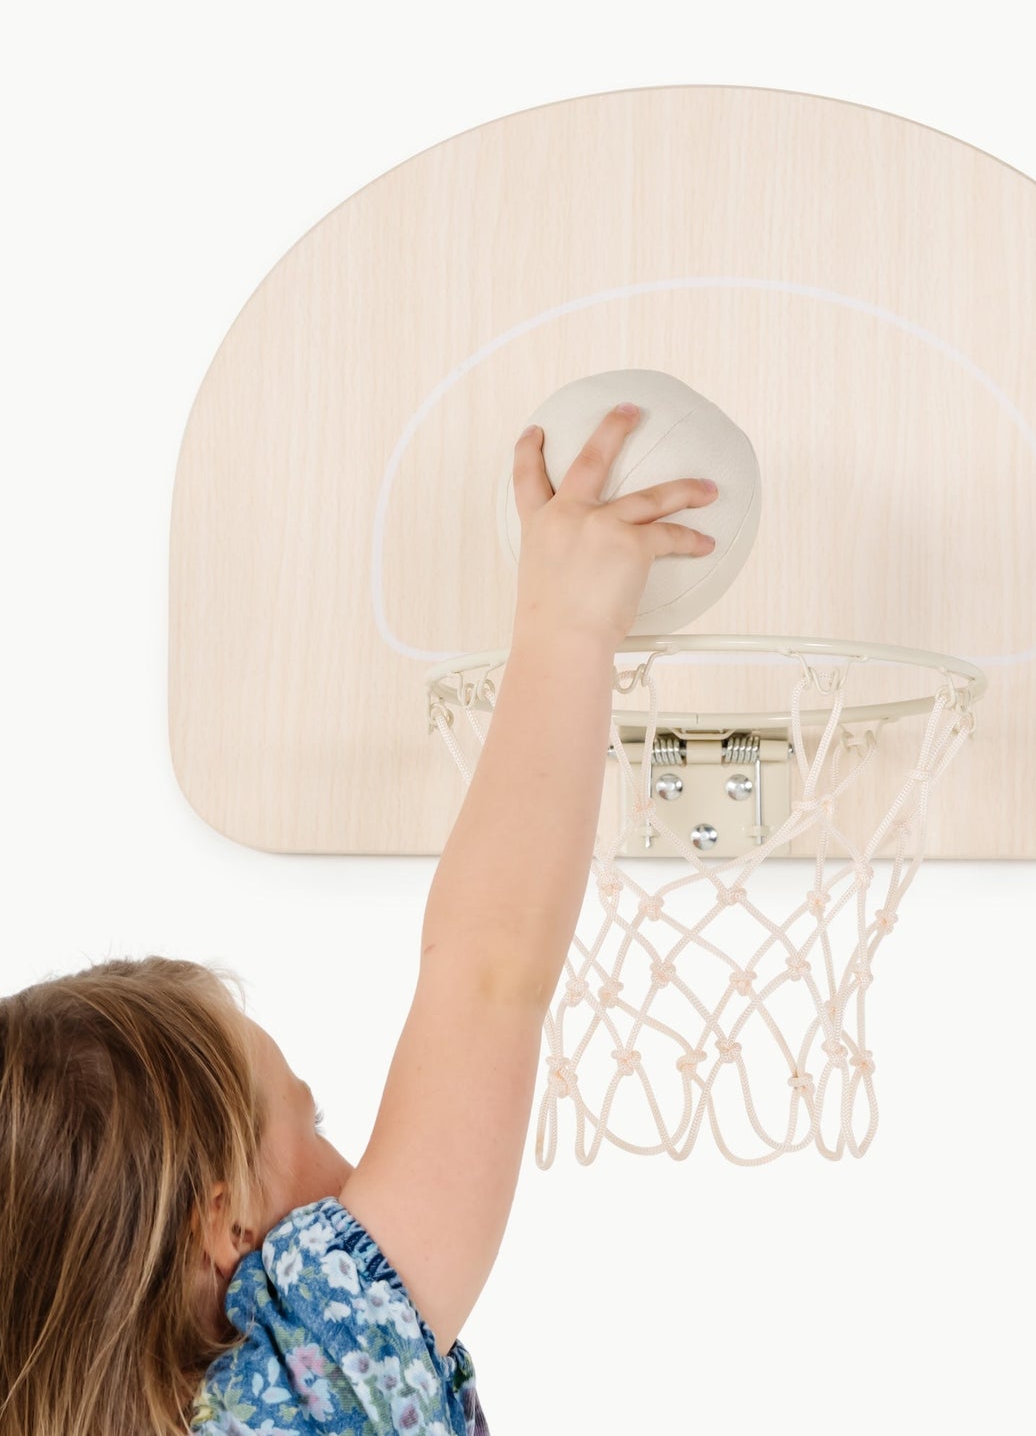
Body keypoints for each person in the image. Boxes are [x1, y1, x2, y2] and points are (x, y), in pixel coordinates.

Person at [0, 403, 719, 1436]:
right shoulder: (310, 1373)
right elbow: (486, 971)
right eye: (310, 1121)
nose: (352, 1170)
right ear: (226, 1226)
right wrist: (568, 621)